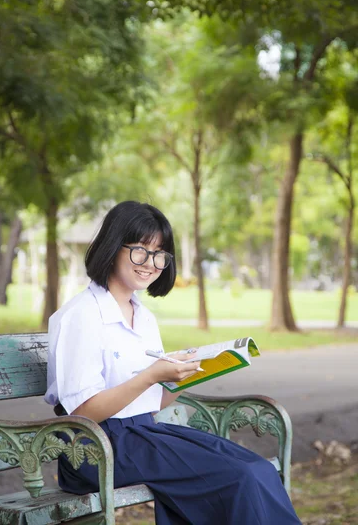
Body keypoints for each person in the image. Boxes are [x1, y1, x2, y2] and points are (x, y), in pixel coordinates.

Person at [45, 200, 302, 525]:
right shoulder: (81, 315)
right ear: (112, 248)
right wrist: (151, 376)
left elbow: (153, 404)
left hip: (142, 434)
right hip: (94, 448)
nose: (150, 263)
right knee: (237, 477)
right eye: (140, 250)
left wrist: (186, 374)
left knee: (257, 468)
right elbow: (82, 413)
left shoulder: (145, 317)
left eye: (159, 254)